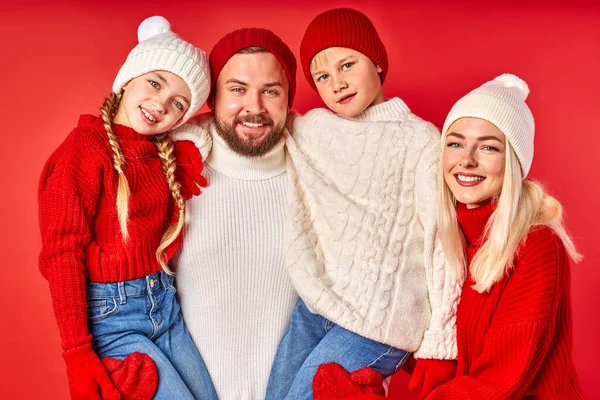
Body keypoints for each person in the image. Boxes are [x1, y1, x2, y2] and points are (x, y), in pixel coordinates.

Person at [265, 8, 460, 400]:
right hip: (314, 310)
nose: (337, 83)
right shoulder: (312, 128)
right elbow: (252, 124)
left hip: (378, 323)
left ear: (378, 62)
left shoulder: (421, 141)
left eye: (347, 65)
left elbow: (442, 242)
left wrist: (442, 341)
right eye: (322, 77)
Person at [38, 16, 217, 400]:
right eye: (155, 82)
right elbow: (61, 253)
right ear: (128, 78)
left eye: (178, 103)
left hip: (165, 307)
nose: (160, 104)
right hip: (110, 317)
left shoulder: (159, 154)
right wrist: (76, 353)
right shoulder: (83, 149)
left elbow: (211, 126)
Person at [420, 73, 584, 398]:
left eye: (488, 148)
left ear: (513, 163)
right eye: (455, 143)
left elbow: (497, 381)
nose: (466, 160)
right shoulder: (452, 240)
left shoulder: (535, 245)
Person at [170, 28, 299, 399]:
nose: (254, 107)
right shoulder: (173, 167)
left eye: (271, 91)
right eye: (238, 89)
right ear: (213, 96)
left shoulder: (317, 172)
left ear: (289, 99)